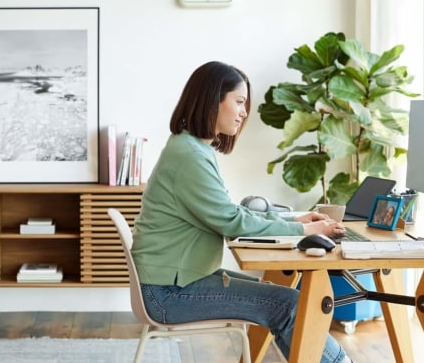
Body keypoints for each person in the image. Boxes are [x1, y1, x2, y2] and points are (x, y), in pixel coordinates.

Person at [131, 61, 352, 363]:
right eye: (239, 102)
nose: (244, 112)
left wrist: (294, 219)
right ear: (212, 100)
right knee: (288, 304)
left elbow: (228, 212)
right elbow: (233, 222)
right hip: (168, 293)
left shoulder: (191, 148)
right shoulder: (189, 156)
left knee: (281, 299)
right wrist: (305, 232)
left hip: (176, 281)